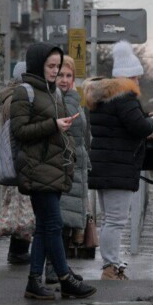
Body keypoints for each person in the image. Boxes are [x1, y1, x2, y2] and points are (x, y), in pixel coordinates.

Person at [10, 43, 96, 300]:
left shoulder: (53, 93)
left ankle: (34, 281)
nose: (55, 72)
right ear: (38, 65)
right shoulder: (24, 93)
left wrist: (63, 131)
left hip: (54, 168)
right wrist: (53, 125)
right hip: (36, 169)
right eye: (51, 66)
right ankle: (65, 278)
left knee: (45, 228)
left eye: (58, 67)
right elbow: (20, 132)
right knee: (54, 225)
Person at [84, 40, 153, 281]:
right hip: (117, 167)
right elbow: (138, 127)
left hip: (105, 165)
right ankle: (110, 267)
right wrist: (152, 122)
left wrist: (142, 117)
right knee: (115, 221)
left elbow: (120, 124)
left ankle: (111, 264)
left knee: (109, 220)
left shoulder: (104, 97)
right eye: (136, 78)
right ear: (128, 77)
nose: (138, 82)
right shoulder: (124, 97)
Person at [45, 56, 91, 284]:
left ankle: (60, 266)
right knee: (59, 222)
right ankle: (54, 269)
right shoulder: (57, 99)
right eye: (60, 74)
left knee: (66, 223)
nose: (63, 79)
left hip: (75, 168)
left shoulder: (72, 98)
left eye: (68, 75)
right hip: (62, 167)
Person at [0, 61, 35, 264]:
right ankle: (18, 251)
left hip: (14, 157)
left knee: (20, 206)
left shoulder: (9, 95)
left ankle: (19, 249)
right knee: (21, 207)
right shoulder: (16, 99)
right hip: (18, 157)